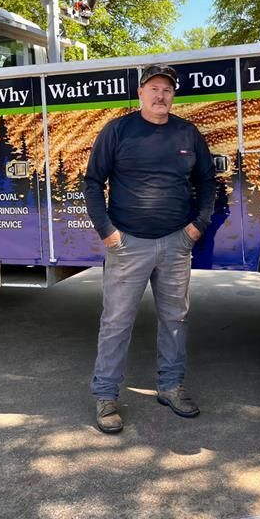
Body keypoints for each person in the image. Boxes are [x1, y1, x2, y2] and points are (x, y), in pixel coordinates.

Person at [85, 64, 216, 434]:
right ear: (141, 92)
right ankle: (106, 395)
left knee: (175, 320)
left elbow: (208, 181)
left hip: (176, 243)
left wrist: (196, 227)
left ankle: (171, 387)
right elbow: (93, 182)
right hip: (127, 244)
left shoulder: (187, 133)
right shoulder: (119, 130)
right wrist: (108, 233)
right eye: (154, 88)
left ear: (174, 96)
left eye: (168, 90)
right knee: (116, 322)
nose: (161, 96)